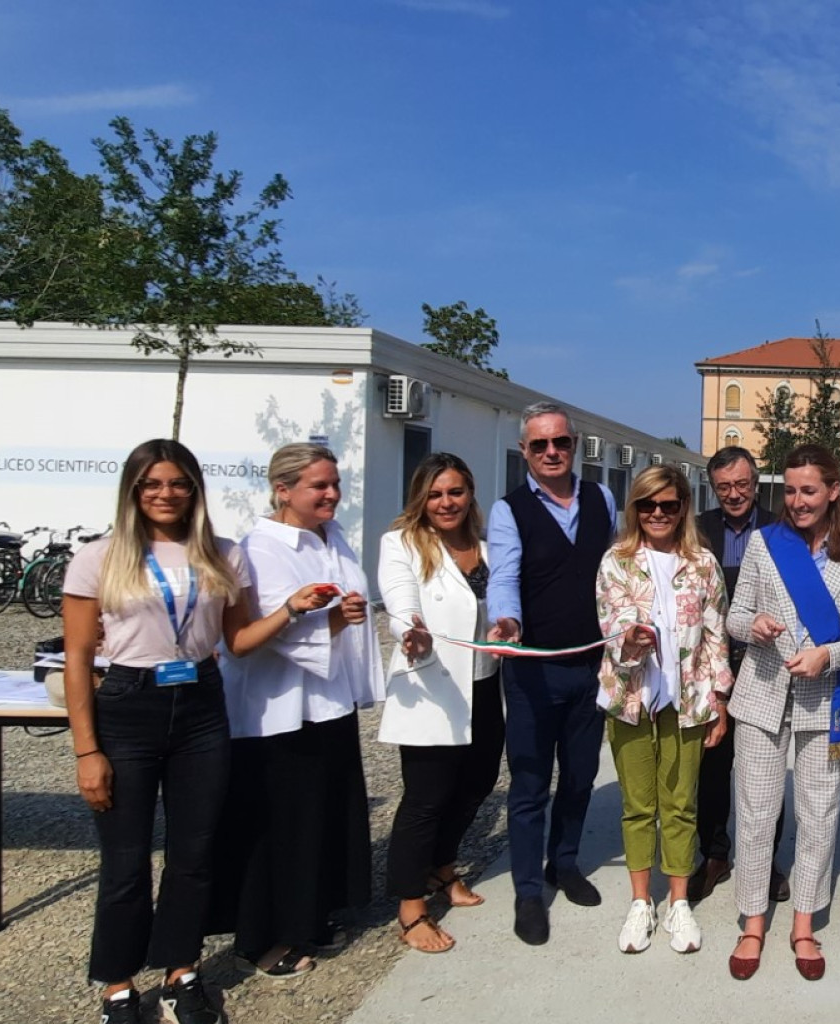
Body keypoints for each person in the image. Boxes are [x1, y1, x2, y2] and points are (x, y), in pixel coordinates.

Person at [62, 439, 338, 1024]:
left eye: (179, 483)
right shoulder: (98, 558)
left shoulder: (223, 554)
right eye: (153, 484)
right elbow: (78, 658)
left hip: (202, 708)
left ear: (194, 489)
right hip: (129, 707)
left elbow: (237, 640)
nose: (166, 494)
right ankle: (117, 988)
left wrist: (290, 610)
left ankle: (180, 974)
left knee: (193, 855)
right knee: (125, 861)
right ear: (134, 490)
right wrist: (87, 751)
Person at [214, 442, 385, 980]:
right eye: (320, 486)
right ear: (283, 490)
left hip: (328, 702)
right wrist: (334, 620)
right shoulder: (261, 548)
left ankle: (311, 914)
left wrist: (347, 614)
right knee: (279, 824)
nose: (332, 493)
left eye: (335, 484)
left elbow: (342, 608)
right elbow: (264, 634)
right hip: (278, 709)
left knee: (322, 815)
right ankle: (263, 937)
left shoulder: (331, 537)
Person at [723, 444, 840, 980]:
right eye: (789, 490)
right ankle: (752, 920)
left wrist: (828, 656)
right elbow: (734, 616)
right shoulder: (766, 545)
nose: (796, 501)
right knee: (756, 811)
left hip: (826, 703)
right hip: (761, 696)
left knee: (818, 814)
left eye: (808, 490)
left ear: (833, 490)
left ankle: (805, 923)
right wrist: (755, 625)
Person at [487, 402, 617, 945]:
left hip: (591, 665)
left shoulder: (602, 498)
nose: (550, 452)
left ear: (575, 445)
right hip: (534, 673)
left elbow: (616, 569)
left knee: (582, 776)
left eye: (559, 442)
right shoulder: (508, 510)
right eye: (539, 445)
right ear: (525, 451)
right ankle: (526, 892)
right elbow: (504, 576)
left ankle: (563, 863)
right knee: (531, 785)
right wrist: (506, 620)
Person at [595, 465, 732, 955]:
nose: (657, 513)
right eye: (648, 504)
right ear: (635, 508)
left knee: (681, 804)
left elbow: (716, 635)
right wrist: (630, 637)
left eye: (668, 505)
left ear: (682, 509)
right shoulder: (617, 561)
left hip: (688, 699)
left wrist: (720, 700)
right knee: (638, 806)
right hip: (630, 698)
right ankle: (639, 902)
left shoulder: (702, 564)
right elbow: (613, 620)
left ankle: (677, 900)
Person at [376, 453, 503, 954]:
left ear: (470, 494)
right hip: (432, 687)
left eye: (455, 492)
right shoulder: (402, 543)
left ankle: (441, 867)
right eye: (435, 494)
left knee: (477, 785)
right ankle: (410, 906)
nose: (446, 503)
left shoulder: (487, 548)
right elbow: (399, 599)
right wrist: (410, 630)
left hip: (485, 683)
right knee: (426, 799)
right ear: (420, 499)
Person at [693, 445, 787, 905]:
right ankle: (713, 854)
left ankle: (766, 860)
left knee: (765, 772)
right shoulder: (697, 530)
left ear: (756, 482)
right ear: (713, 488)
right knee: (711, 770)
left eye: (742, 484)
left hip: (765, 668)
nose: (734, 494)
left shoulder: (780, 529)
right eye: (724, 486)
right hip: (710, 667)